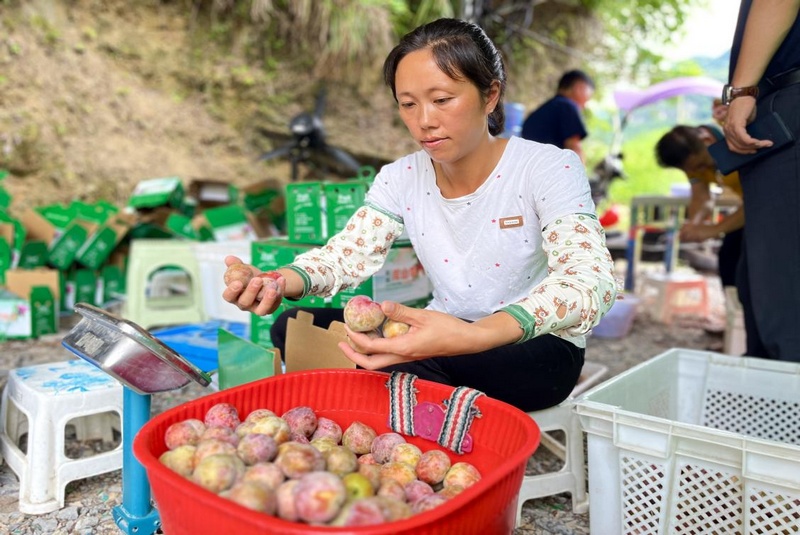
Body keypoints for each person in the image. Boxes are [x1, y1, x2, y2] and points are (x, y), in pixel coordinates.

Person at [222, 18, 617, 412]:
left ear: (490, 95)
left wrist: (474, 335)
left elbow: (589, 280)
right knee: (291, 326)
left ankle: (390, 404)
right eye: (408, 104)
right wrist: (275, 281)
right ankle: (400, 408)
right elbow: (348, 254)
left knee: (410, 360)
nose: (424, 120)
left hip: (534, 346)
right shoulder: (401, 177)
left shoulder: (546, 166)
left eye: (442, 100)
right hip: (438, 330)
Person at [722, 1, 800, 362]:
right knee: (759, 277)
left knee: (783, 292)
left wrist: (741, 91)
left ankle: (785, 408)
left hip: (788, 103)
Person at [655, 124, 765, 357]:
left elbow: (756, 202)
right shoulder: (693, 159)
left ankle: (757, 338)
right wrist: (694, 223)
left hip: (764, 210)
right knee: (728, 261)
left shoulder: (738, 144)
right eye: (691, 169)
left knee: (749, 271)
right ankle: (735, 328)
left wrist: (713, 230)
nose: (700, 169)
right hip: (748, 211)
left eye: (700, 164)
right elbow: (702, 196)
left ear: (706, 139)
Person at [520, 69, 594, 163]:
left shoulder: (546, 109)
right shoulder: (568, 106)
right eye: (588, 97)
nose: (585, 105)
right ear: (579, 88)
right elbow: (574, 150)